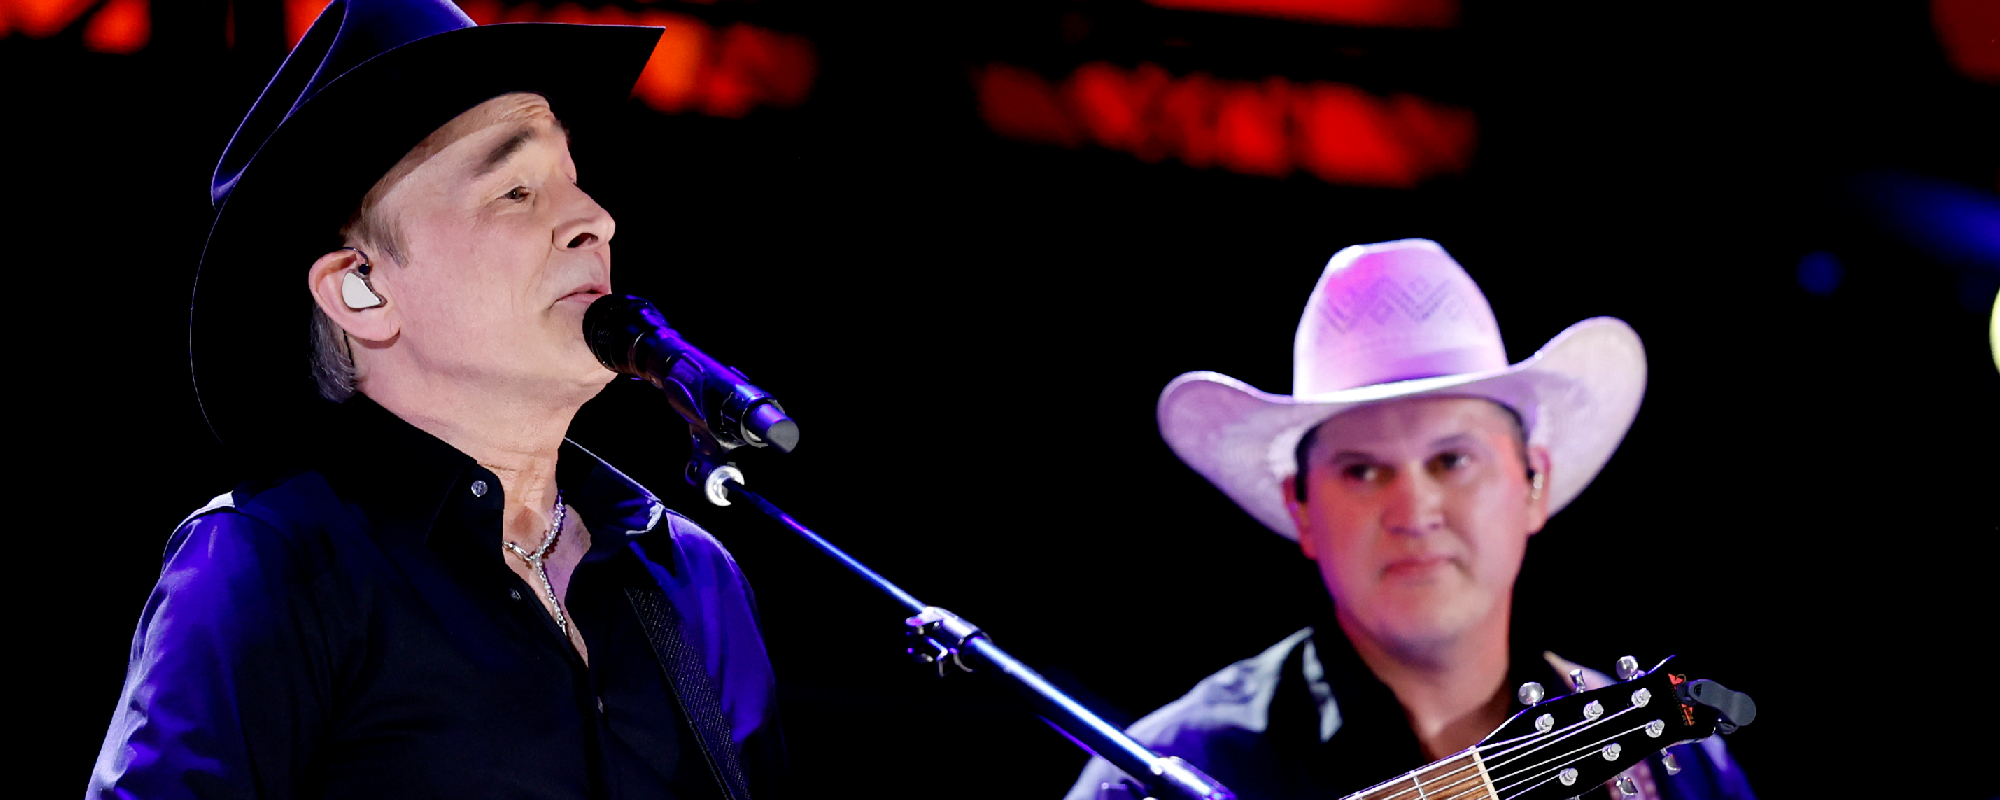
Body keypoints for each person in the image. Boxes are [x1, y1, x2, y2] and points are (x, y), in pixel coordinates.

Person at [86, 1, 783, 798]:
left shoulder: (688, 576)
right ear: (363, 289)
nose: (596, 220)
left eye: (574, 179)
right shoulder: (274, 568)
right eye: (516, 190)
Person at [1063, 239, 1754, 800]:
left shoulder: (1676, 766)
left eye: (1451, 460)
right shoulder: (1164, 774)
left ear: (1533, 483)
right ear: (1301, 507)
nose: (1414, 510)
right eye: (1363, 471)